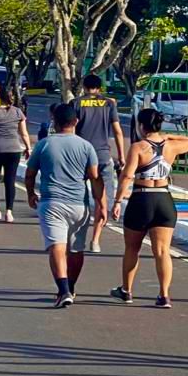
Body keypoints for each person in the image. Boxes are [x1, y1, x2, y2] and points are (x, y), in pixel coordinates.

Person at [110, 107, 188, 308]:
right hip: (164, 200)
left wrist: (117, 201)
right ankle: (164, 295)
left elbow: (128, 175)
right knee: (163, 251)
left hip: (141, 199)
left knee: (132, 247)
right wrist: (166, 135)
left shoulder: (138, 147)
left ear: (141, 125)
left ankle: (127, 290)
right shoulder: (172, 146)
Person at [25, 102, 106, 308]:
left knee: (57, 247)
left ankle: (63, 290)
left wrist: (30, 194)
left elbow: (30, 173)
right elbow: (95, 177)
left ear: (54, 122)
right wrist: (101, 204)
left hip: (52, 202)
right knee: (76, 250)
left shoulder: (44, 144)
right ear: (76, 122)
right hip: (79, 204)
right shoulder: (86, 146)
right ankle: (70, 287)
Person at [75, 73, 126, 252]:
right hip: (103, 156)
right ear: (100, 87)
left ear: (84, 86)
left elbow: (71, 129)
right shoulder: (109, 104)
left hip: (80, 157)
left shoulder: (77, 103)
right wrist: (121, 156)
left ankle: (76, 238)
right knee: (102, 201)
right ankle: (95, 240)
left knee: (78, 198)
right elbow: (118, 132)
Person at [0, 86, 32, 222]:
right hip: (14, 149)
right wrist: (28, 148)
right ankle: (9, 212)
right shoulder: (18, 112)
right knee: (10, 181)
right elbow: (24, 133)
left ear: (0, 98)